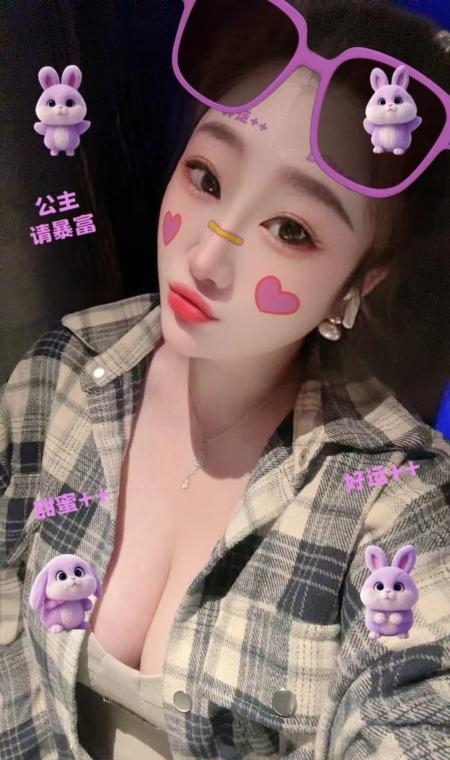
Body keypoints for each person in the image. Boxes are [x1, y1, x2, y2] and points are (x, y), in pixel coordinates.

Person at [0, 1, 449, 759]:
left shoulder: (391, 501)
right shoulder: (63, 373)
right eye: (206, 177)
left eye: (291, 230)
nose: (206, 259)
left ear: (357, 285)